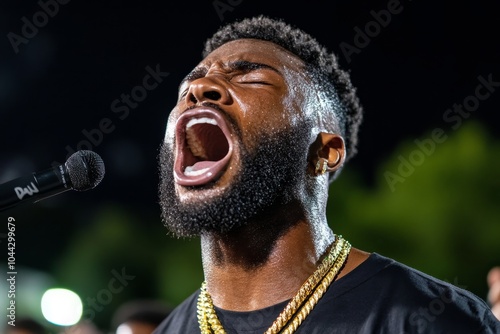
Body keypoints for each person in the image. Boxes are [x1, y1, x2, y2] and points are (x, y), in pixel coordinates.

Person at [154, 15, 500, 333]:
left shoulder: (427, 319)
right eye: (187, 88)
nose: (201, 89)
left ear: (324, 152)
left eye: (253, 78)